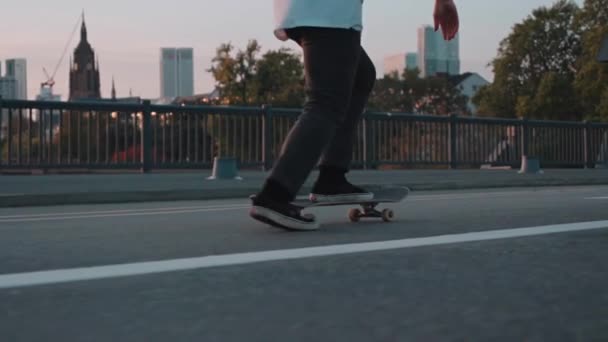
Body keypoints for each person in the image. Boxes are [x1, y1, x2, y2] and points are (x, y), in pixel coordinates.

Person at [250, 0, 460, 231]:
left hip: (309, 11)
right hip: (328, 12)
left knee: (361, 76)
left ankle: (332, 178)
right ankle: (275, 194)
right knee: (325, 103)